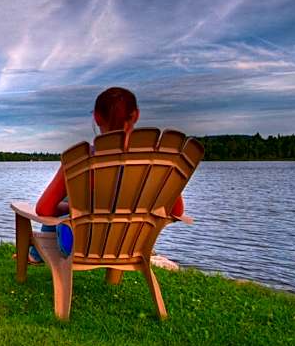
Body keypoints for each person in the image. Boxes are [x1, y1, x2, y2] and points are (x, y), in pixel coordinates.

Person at [28, 86, 184, 264]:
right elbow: (177, 211)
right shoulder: (160, 163)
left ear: (96, 116)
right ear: (136, 115)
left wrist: (72, 208)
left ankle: (35, 254)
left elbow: (44, 210)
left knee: (67, 199)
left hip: (80, 246)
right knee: (71, 200)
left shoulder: (81, 161)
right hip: (132, 246)